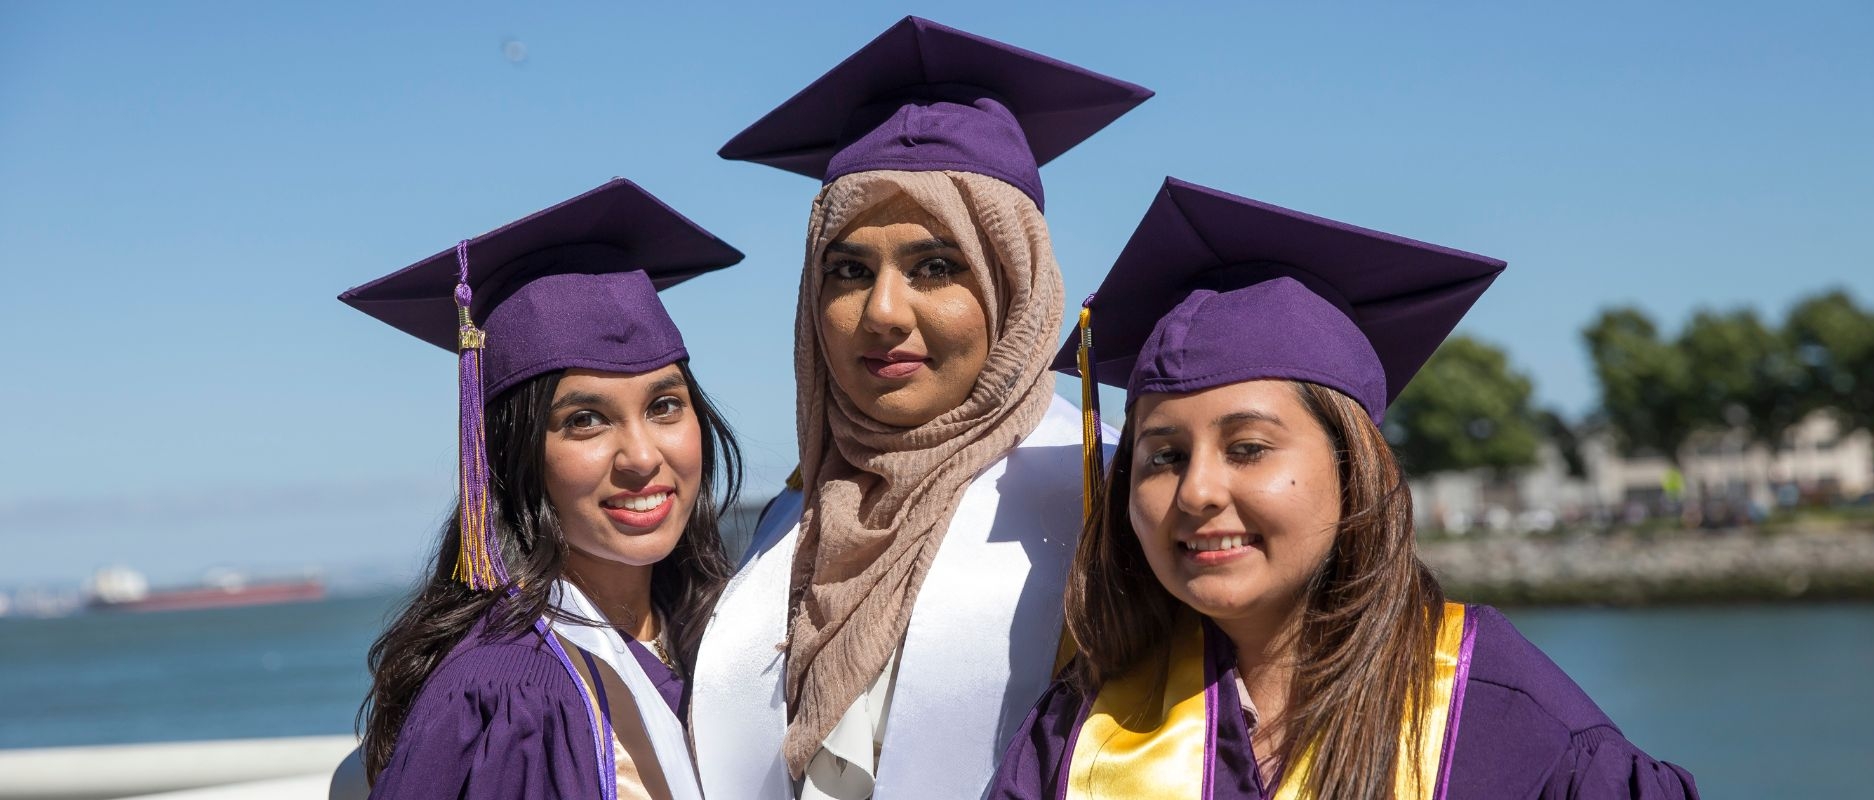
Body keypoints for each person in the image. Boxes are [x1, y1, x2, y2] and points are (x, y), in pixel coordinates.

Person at [989, 178, 1700, 799]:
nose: (1198, 490)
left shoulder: (1493, 711)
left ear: (1352, 470)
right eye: (1162, 456)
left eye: (1248, 448)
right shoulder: (1086, 731)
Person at [689, 16, 1152, 800]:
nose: (883, 312)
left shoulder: (1115, 502)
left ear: (1016, 286)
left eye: (937, 266)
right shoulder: (794, 520)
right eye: (847, 270)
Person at [338, 178, 744, 800]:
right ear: (516, 456)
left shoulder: (717, 635)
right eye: (585, 420)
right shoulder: (507, 694)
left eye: (665, 405)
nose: (641, 456)